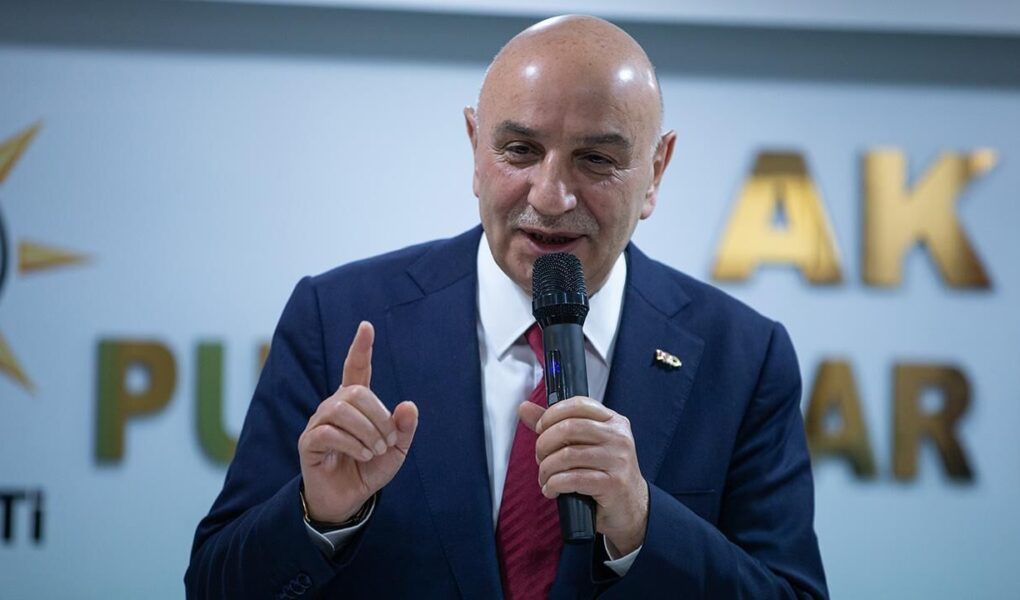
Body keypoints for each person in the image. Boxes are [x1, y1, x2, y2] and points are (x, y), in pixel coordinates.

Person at [185, 15, 827, 599]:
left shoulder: (744, 359)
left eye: (596, 159)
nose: (550, 196)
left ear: (655, 170)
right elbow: (213, 587)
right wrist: (318, 518)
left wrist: (643, 523)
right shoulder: (336, 318)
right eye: (520, 151)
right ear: (475, 146)